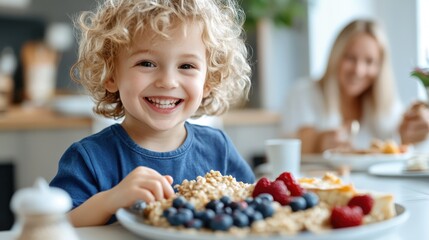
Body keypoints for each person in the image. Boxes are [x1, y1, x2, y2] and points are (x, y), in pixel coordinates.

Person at [50, 0, 255, 227]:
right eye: (146, 63)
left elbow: (253, 208)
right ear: (110, 75)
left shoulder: (219, 149)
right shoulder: (88, 158)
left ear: (209, 81)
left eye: (186, 66)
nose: (167, 82)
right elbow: (53, 226)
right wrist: (109, 201)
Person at [281, 19, 429, 153]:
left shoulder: (387, 105)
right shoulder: (304, 93)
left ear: (380, 67)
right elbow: (294, 146)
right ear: (336, 57)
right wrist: (321, 142)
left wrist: (413, 133)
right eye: (350, 58)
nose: (358, 71)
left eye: (369, 61)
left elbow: (401, 145)